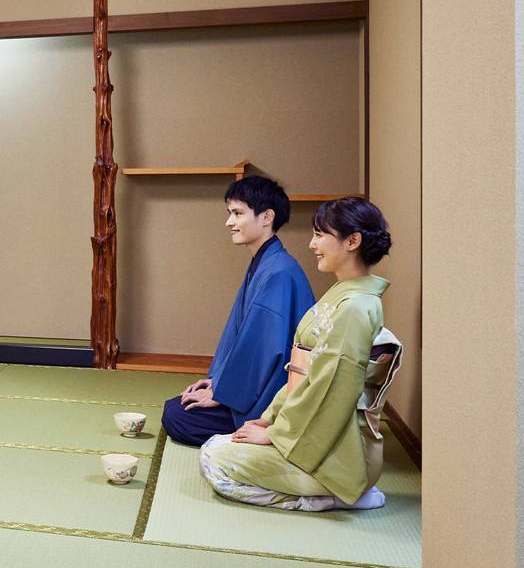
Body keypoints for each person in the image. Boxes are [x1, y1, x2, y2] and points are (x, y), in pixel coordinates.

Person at [199, 197, 393, 511]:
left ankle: (337, 495)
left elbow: (330, 392)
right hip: (305, 431)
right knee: (216, 444)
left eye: (320, 234)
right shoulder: (343, 296)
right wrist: (268, 420)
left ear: (352, 241)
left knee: (214, 459)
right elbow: (299, 374)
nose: (312, 244)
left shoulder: (355, 308)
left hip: (334, 454)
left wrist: (276, 435)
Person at [161, 176, 314, 446]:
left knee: (178, 417)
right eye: (230, 213)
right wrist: (216, 381)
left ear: (266, 217)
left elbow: (263, 351)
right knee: (177, 406)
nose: (229, 222)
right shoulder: (266, 262)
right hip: (253, 386)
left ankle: (264, 434)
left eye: (238, 213)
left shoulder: (278, 271)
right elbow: (239, 336)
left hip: (272, 395)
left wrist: (222, 394)